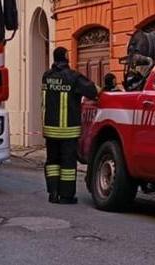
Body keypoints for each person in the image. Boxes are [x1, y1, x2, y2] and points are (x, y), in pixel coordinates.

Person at [41, 46, 99, 204]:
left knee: (52, 162)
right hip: (67, 131)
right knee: (67, 164)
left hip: (50, 130)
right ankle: (66, 196)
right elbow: (92, 91)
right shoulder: (73, 77)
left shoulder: (47, 76)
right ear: (66, 56)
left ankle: (53, 193)